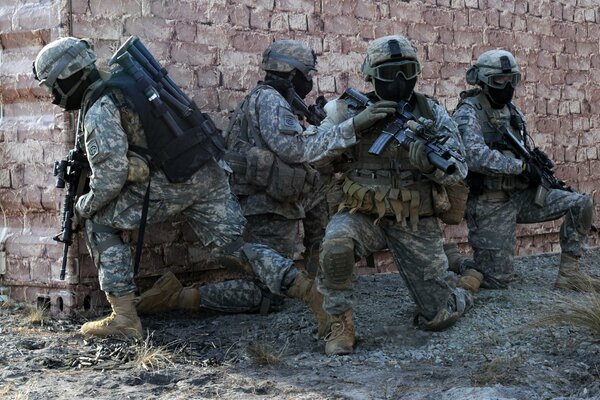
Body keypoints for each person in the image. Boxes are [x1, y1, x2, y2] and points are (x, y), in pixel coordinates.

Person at [33, 37, 330, 338]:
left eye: (52, 86)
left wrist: (82, 207)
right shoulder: (123, 86)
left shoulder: (100, 107)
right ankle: (311, 293)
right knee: (235, 249)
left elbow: (110, 176)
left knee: (99, 221)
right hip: (207, 171)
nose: (52, 95)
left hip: (173, 183)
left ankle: (123, 317)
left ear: (68, 76)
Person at [310, 35, 473, 356]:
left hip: (414, 217)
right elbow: (309, 152)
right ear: (370, 74)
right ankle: (339, 323)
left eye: (407, 71)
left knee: (438, 316)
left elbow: (459, 169)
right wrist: (354, 126)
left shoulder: (432, 113)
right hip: (362, 213)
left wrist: (430, 166)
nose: (399, 80)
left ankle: (464, 288)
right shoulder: (347, 109)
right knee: (336, 245)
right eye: (389, 73)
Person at [453, 49, 598, 290]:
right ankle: (457, 261)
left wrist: (533, 164)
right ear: (484, 80)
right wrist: (520, 167)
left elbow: (521, 147)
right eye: (501, 80)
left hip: (520, 196)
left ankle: (570, 275)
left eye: (513, 80)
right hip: (490, 203)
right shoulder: (468, 112)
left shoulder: (512, 112)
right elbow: (473, 156)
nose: (508, 85)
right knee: (496, 280)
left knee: (579, 203)